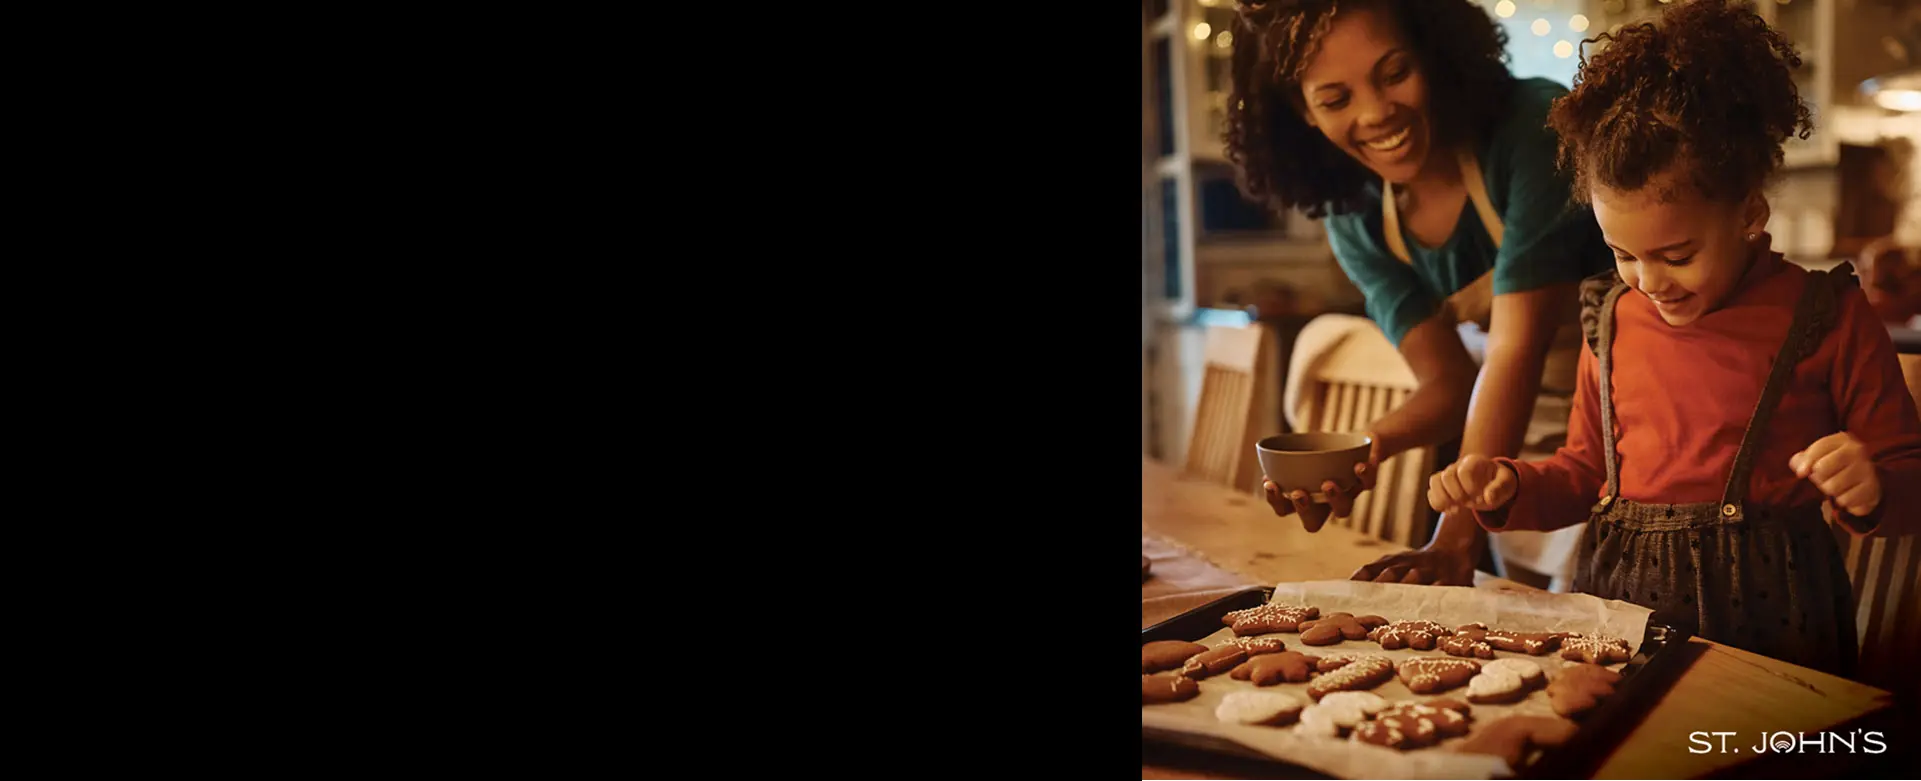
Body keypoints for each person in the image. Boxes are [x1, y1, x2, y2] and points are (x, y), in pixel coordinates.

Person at [1423, 0, 1921, 676]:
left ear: (1749, 212)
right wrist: (1505, 485)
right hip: (1617, 611)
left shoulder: (1825, 315)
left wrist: (1870, 487)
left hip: (1772, 630)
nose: (1648, 280)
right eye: (1623, 254)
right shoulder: (1611, 318)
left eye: (1676, 253)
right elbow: (1581, 473)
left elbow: (1907, 477)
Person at [1224, 0, 1613, 584]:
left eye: (1395, 73)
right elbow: (1450, 383)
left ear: (1433, 51)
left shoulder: (1530, 128)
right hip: (1510, 442)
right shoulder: (1356, 217)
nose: (1377, 113)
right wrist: (1365, 449)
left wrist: (1456, 533)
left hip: (1617, 432)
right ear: (1301, 113)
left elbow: (1514, 351)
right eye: (1335, 99)